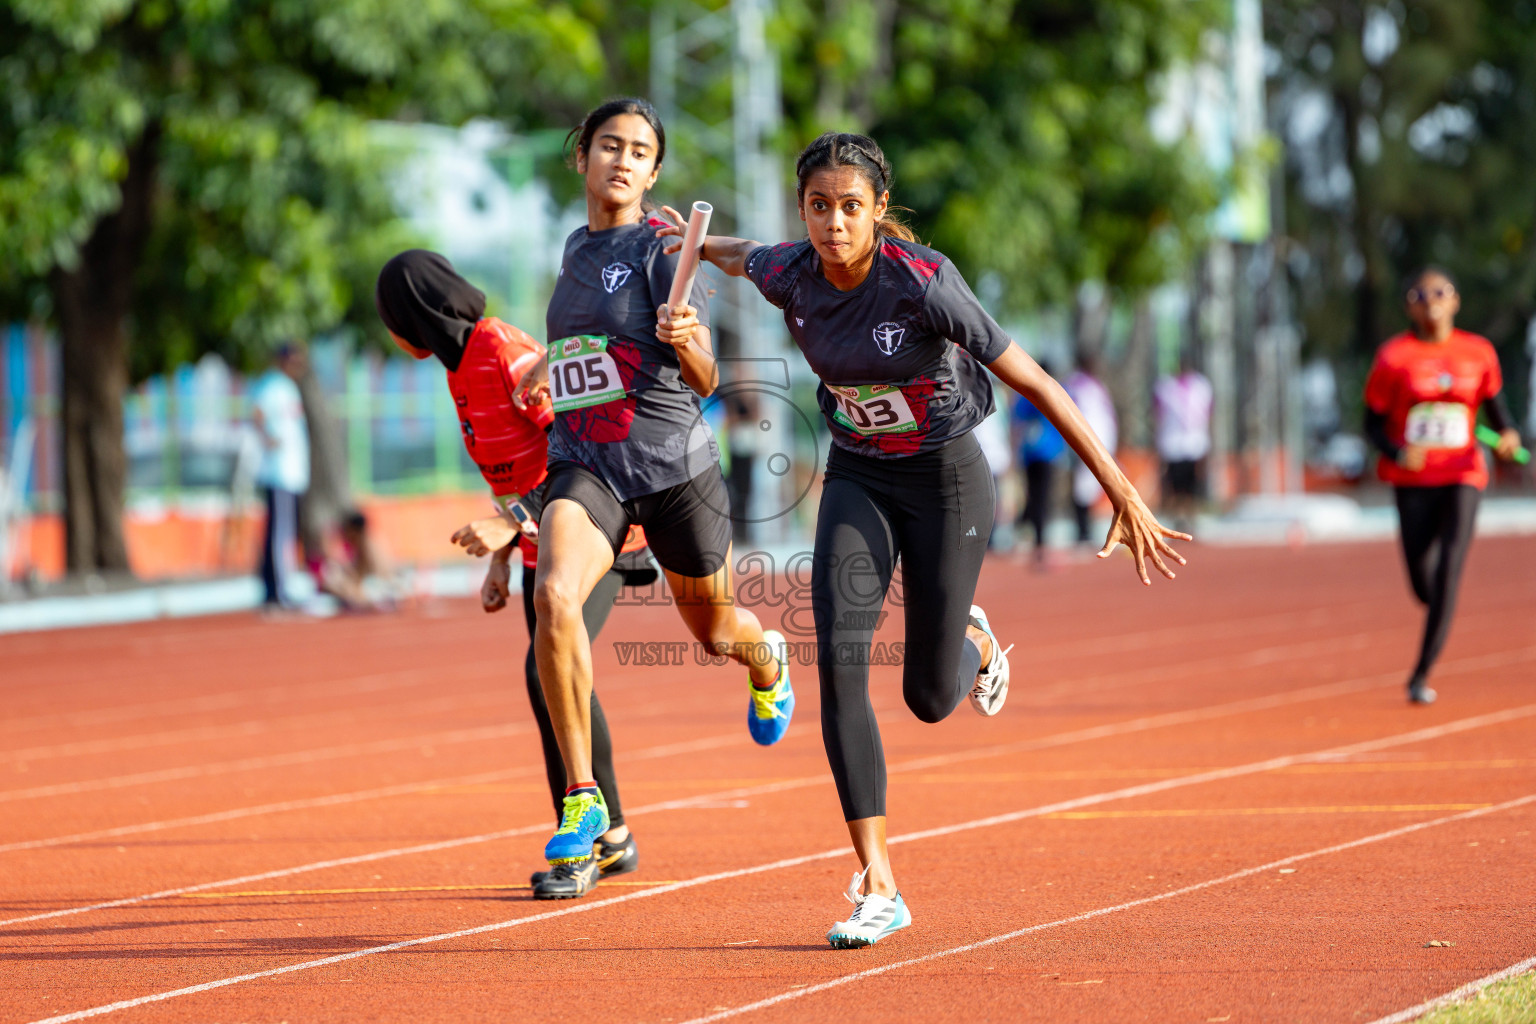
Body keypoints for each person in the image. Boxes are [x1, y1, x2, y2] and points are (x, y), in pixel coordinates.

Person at [662, 131, 1186, 948]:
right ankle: (879, 885)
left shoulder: (923, 282)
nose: (833, 224)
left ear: (878, 211)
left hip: (946, 480)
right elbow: (740, 254)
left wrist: (1120, 490)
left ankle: (972, 641)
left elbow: (1035, 381)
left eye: (850, 208)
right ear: (802, 211)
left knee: (928, 700)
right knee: (836, 661)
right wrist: (687, 242)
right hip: (858, 475)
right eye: (818, 207)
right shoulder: (789, 270)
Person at [520, 98, 794, 875]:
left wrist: (691, 341)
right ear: (583, 157)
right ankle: (583, 797)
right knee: (554, 597)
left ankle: (766, 658)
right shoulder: (574, 248)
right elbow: (585, 347)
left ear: (654, 172)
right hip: (589, 466)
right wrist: (548, 368)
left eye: (640, 151)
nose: (623, 160)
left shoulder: (661, 249)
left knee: (714, 635)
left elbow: (707, 378)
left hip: (676, 471)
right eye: (610, 145)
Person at [375, 249, 653, 899]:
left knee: (543, 670)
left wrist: (515, 522)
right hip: (538, 539)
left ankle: (593, 837)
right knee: (550, 681)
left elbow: (581, 443)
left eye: (390, 319)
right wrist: (504, 554)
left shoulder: (502, 349)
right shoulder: (457, 373)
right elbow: (513, 470)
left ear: (416, 315)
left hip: (600, 526)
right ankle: (608, 834)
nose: (389, 335)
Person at [1363, 267, 1524, 705]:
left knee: (1451, 566)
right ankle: (1440, 608)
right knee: (1423, 583)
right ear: (1408, 306)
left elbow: (1498, 415)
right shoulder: (1394, 357)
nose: (1430, 300)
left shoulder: (1478, 353)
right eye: (1419, 293)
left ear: (1455, 300)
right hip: (1413, 480)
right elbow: (1372, 425)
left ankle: (1420, 674)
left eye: (1440, 291)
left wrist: (1508, 438)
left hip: (1463, 474)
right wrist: (1397, 452)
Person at [250, 343, 310, 610]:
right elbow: (257, 412)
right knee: (279, 534)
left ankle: (277, 587)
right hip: (278, 471)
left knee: (285, 532)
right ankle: (278, 589)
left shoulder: (288, 386)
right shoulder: (272, 385)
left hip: (292, 472)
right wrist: (268, 439)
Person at [1011, 362, 1065, 561]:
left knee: (1035, 496)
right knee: (1041, 497)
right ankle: (1040, 543)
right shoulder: (1052, 390)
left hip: (1032, 452)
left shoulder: (1024, 392)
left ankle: (1030, 535)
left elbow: (1017, 423)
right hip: (1046, 452)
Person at [1153, 351, 1213, 531]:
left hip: (1195, 443)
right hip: (1172, 443)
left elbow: (1208, 414)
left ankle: (1190, 518)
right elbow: (1157, 414)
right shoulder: (1165, 387)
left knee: (1193, 485)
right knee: (1174, 484)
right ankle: (1177, 518)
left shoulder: (1202, 386)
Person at [1064, 352, 1119, 544]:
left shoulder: (1097, 385)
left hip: (1102, 443)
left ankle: (1090, 529)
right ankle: (1083, 531)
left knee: (1093, 487)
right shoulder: (1074, 384)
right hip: (1084, 442)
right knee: (1082, 486)